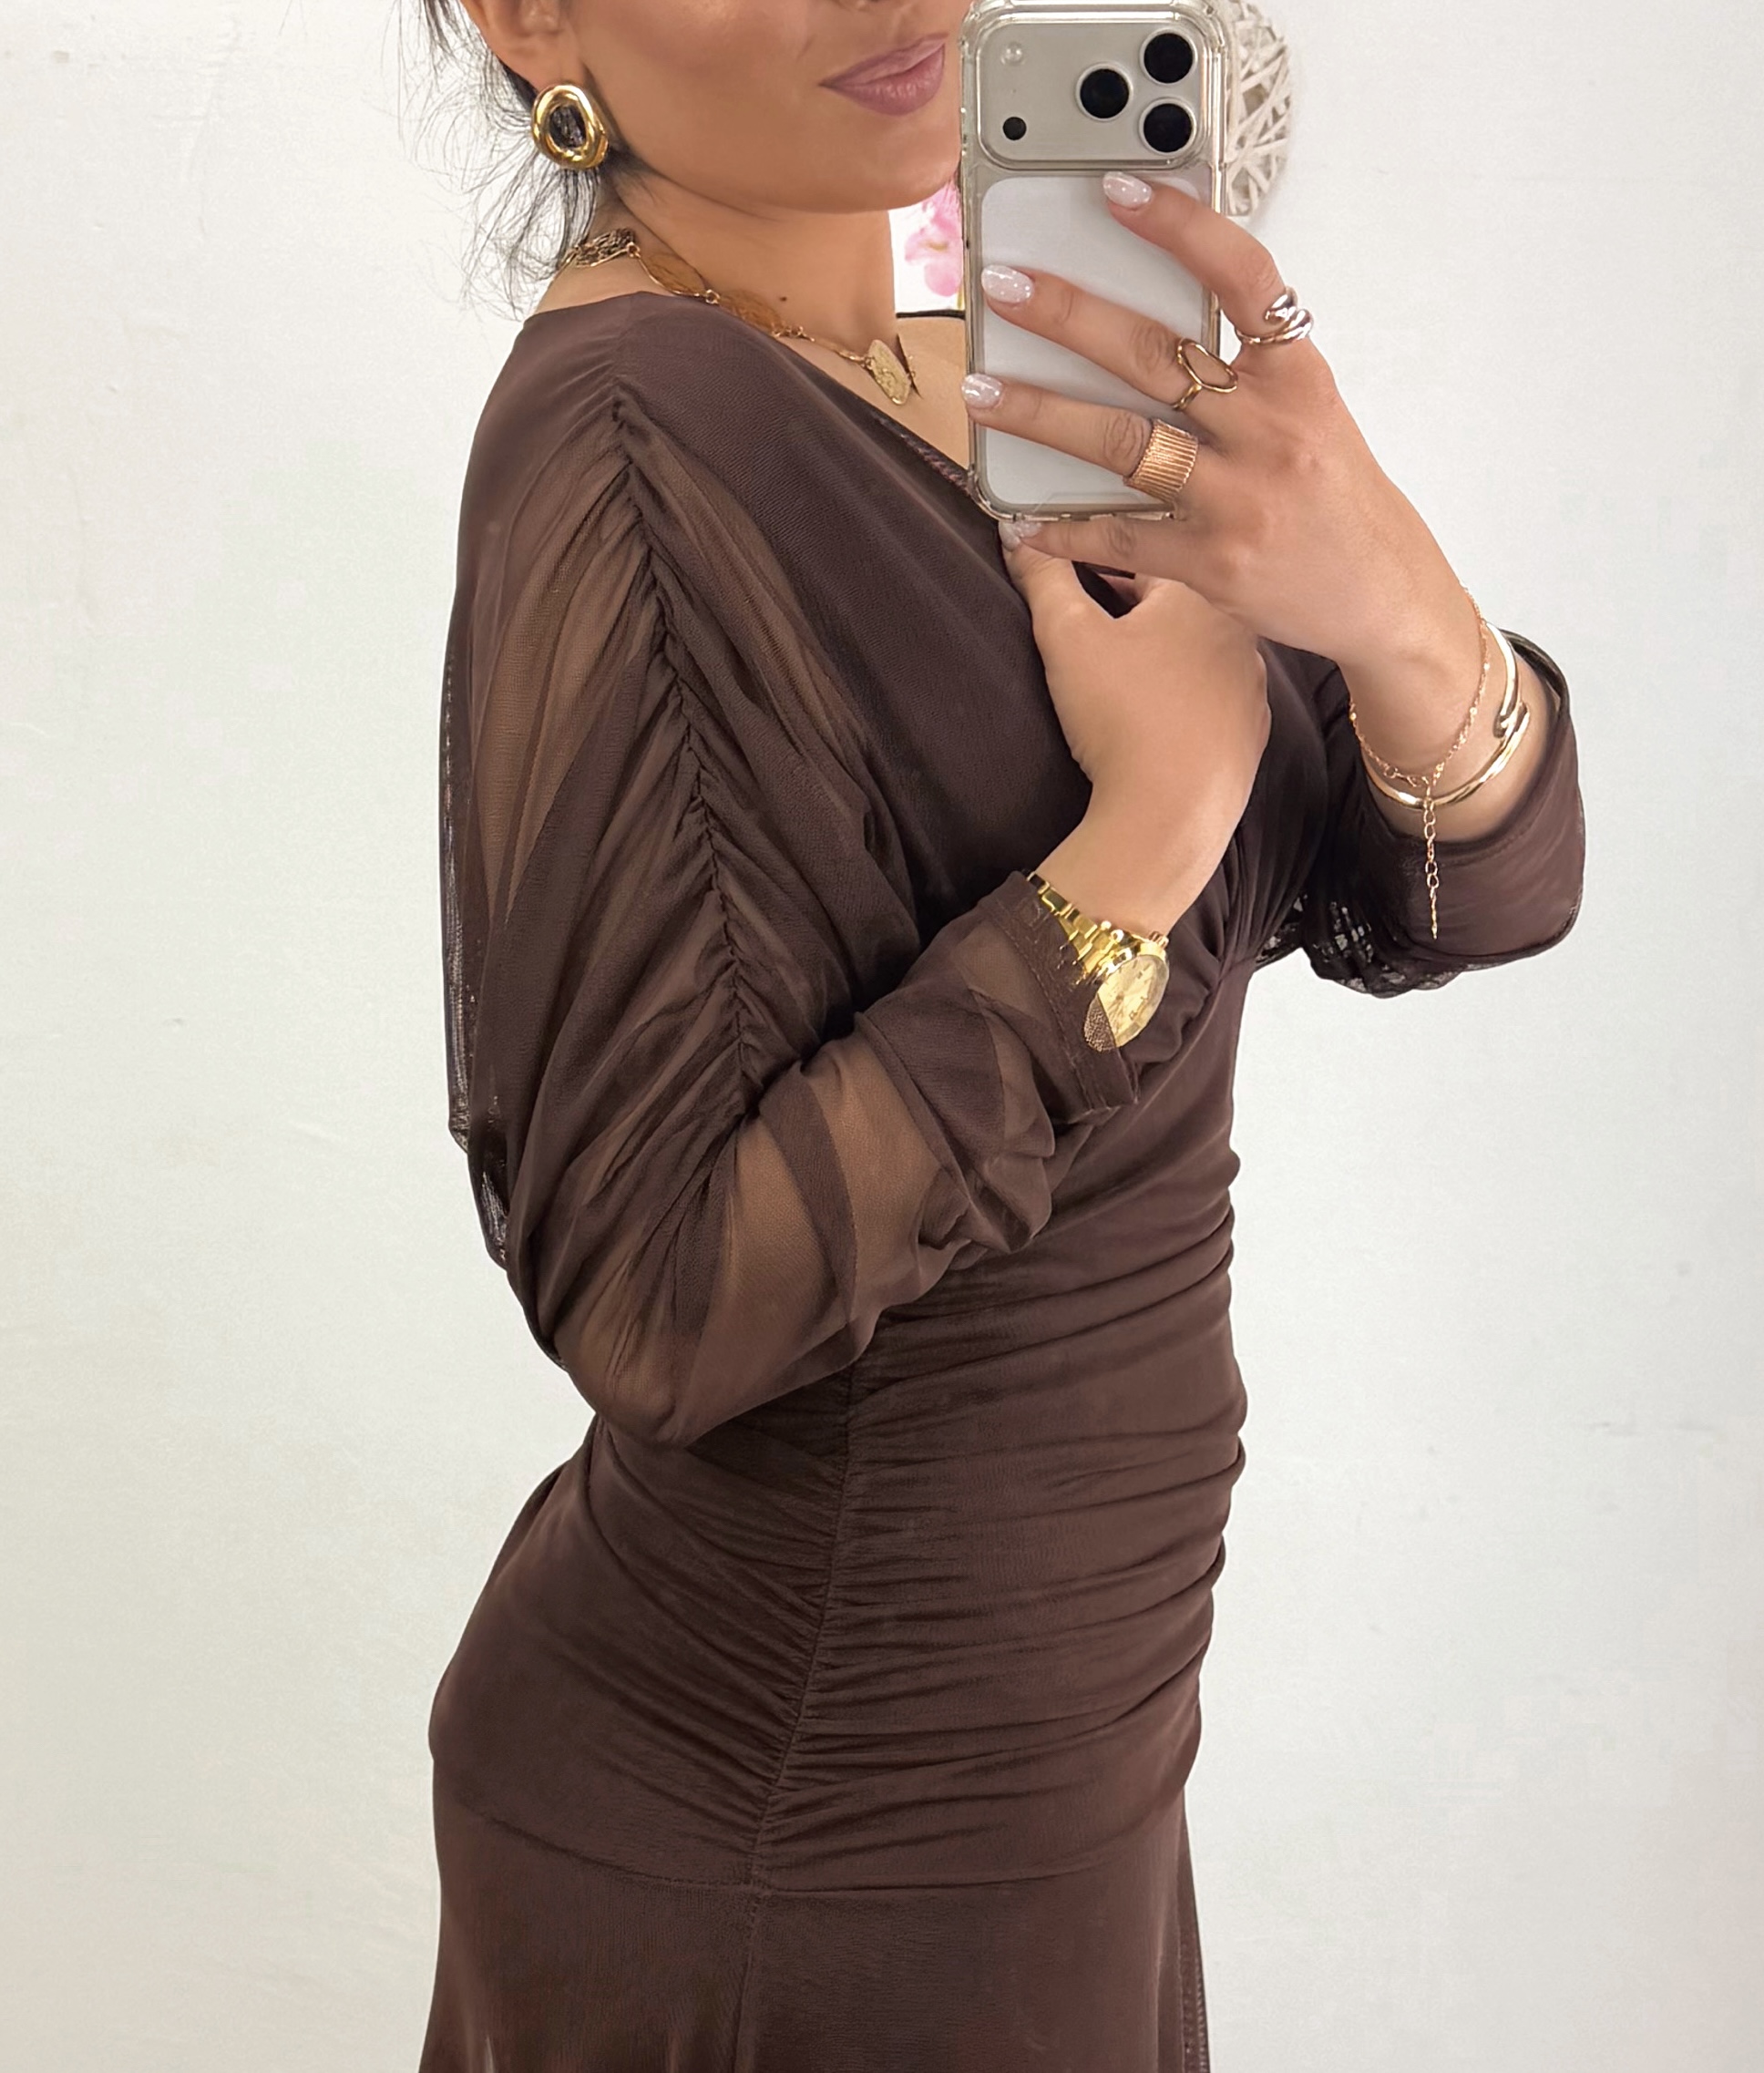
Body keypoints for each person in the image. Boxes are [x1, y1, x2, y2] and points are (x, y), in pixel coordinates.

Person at [415, 3, 1585, 2067]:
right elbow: (655, 1297)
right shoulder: (626, 437)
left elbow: (1459, 900)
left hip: (1058, 1778)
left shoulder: (1015, 355)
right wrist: (1137, 843)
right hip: (806, 1834)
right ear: (532, 17)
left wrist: (1393, 599)